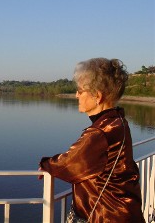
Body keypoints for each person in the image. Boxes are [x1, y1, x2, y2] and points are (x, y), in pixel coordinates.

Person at [38, 58, 145, 222]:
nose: (76, 95)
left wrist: (45, 164)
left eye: (80, 91)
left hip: (107, 215)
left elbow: (69, 164)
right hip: (125, 211)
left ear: (97, 96)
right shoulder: (118, 121)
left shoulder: (100, 132)